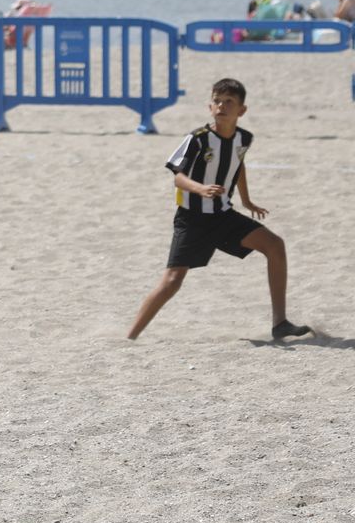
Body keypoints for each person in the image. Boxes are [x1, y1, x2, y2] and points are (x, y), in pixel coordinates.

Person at [127, 78, 309, 341]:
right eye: (217, 101)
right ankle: (130, 337)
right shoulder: (198, 139)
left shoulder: (244, 138)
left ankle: (280, 323)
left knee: (275, 246)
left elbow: (239, 164)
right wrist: (200, 189)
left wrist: (246, 200)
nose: (221, 106)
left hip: (223, 216)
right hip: (192, 220)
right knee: (172, 281)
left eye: (229, 102)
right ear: (209, 106)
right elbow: (178, 177)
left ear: (241, 110)